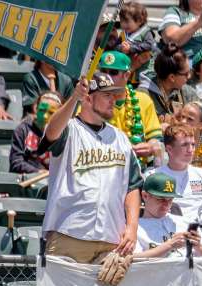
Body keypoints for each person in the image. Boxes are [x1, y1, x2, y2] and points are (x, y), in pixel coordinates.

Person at [40, 73, 143, 264]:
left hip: (111, 239)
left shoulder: (121, 138)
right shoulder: (69, 129)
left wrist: (132, 228)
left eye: (114, 95)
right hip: (69, 234)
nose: (113, 100)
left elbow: (133, 186)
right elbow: (51, 133)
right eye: (106, 95)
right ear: (87, 98)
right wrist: (73, 99)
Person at [99, 51, 164, 168]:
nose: (106, 77)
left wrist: (151, 145)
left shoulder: (143, 100)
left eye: (113, 72)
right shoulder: (90, 101)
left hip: (138, 169)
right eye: (103, 71)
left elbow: (156, 139)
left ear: (127, 75)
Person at [134, 172, 202, 258]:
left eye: (170, 199)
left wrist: (199, 247)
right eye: (160, 199)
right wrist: (169, 245)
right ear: (145, 196)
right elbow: (131, 260)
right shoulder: (134, 228)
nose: (166, 204)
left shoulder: (187, 223)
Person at [139, 43, 199, 119]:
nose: (189, 76)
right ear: (172, 77)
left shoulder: (187, 92)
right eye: (186, 74)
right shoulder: (143, 95)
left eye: (190, 72)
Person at [10, 91, 63, 173]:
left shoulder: (65, 133)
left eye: (51, 113)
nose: (45, 116)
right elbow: (16, 162)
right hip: (31, 181)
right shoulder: (23, 130)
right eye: (42, 110)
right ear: (36, 108)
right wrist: (37, 172)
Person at [118, 1, 157, 85]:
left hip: (145, 72)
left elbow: (149, 45)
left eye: (127, 21)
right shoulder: (124, 34)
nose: (123, 25)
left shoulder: (145, 32)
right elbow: (116, 46)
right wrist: (121, 48)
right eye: (121, 21)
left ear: (139, 21)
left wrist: (131, 49)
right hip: (130, 72)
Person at [177, 101, 202, 173]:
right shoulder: (174, 140)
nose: (183, 121)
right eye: (182, 117)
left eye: (190, 119)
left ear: (201, 125)